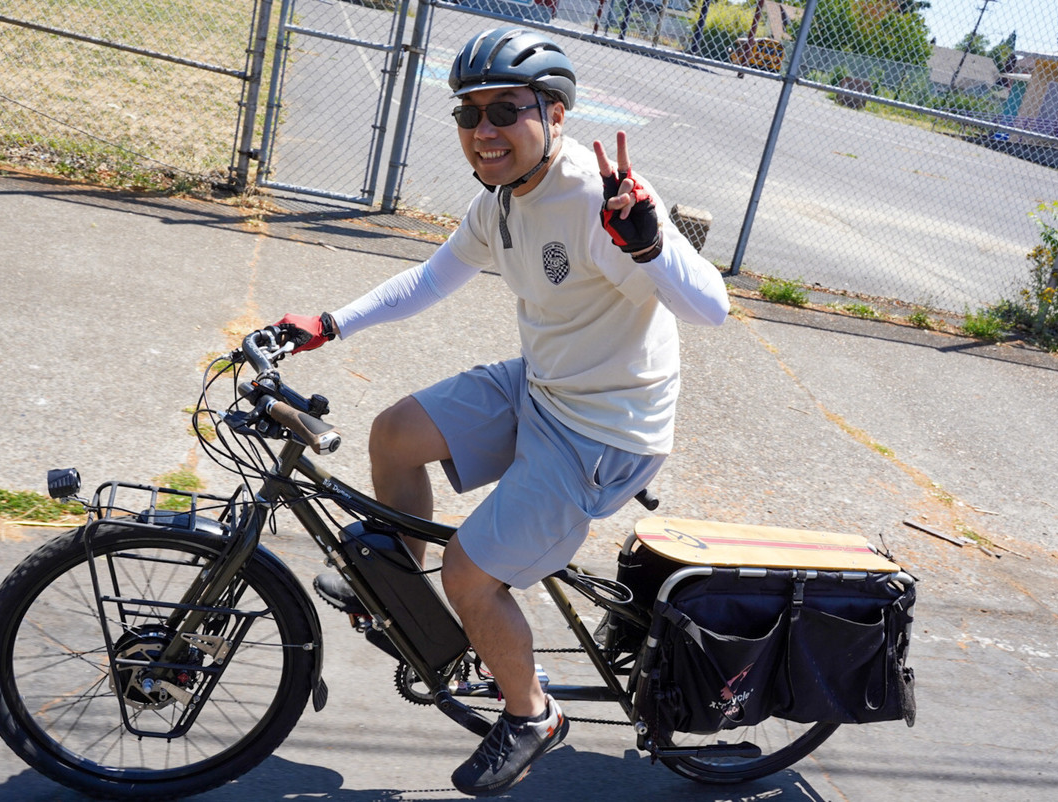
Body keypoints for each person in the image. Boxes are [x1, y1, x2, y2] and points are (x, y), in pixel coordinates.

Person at [275, 26, 729, 796]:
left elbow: (711, 308)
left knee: (473, 574)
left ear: (554, 115)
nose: (484, 131)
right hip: (544, 384)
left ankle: (531, 714)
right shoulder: (502, 200)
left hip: (606, 429)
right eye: (469, 113)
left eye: (506, 111)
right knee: (395, 434)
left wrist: (653, 247)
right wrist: (329, 323)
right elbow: (429, 281)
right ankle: (402, 589)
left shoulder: (596, 200)